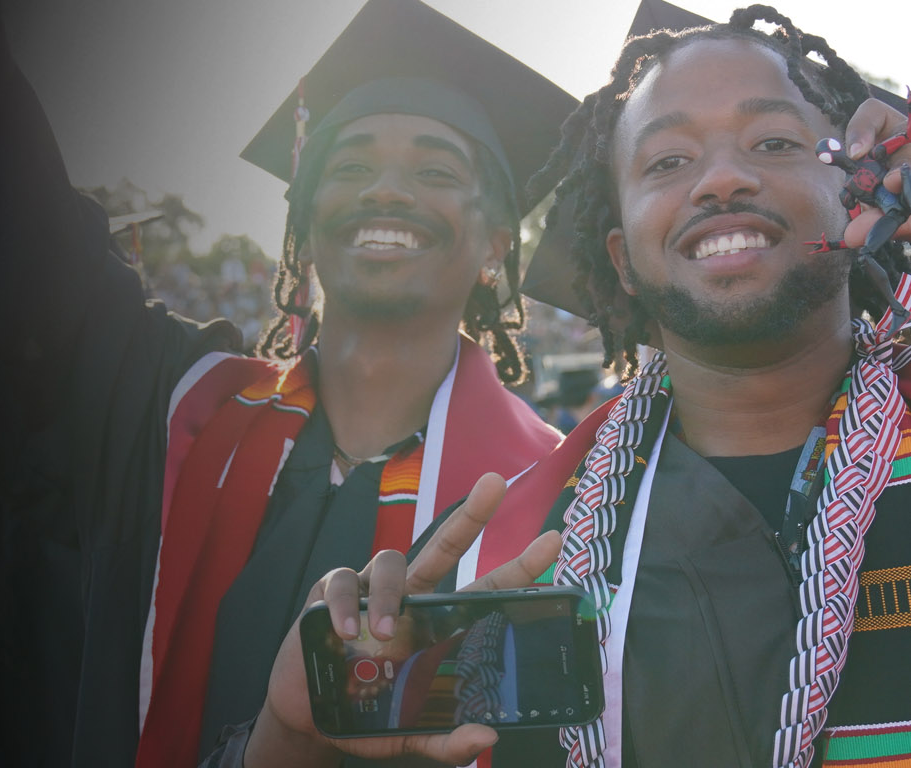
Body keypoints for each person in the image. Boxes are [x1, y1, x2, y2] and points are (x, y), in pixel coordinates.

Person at [0, 0, 575, 764]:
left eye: (436, 169)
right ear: (304, 224)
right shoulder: (173, 410)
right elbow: (24, 242)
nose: (386, 190)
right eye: (348, 165)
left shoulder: (554, 493)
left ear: (495, 243)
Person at [234, 4, 911, 767]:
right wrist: (290, 738)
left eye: (776, 142)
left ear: (858, 190)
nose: (723, 177)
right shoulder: (501, 556)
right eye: (667, 162)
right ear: (621, 258)